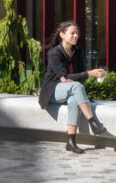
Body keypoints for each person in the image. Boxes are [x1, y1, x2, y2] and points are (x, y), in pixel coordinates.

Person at [38, 20, 108, 154]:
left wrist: (80, 76)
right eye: (72, 33)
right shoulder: (54, 53)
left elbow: (78, 74)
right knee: (75, 86)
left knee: (74, 100)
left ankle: (71, 141)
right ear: (62, 35)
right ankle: (92, 121)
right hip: (52, 91)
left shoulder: (78, 50)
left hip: (68, 89)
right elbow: (66, 76)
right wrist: (88, 74)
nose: (76, 36)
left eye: (77, 33)